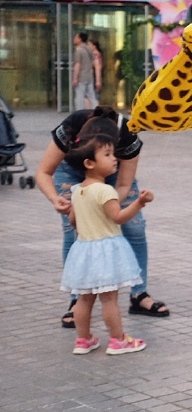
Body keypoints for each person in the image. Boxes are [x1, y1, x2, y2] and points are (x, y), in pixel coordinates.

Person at [34, 107, 169, 327]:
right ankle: (76, 300)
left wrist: (107, 202)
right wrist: (55, 199)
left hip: (113, 173)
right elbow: (43, 172)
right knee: (74, 231)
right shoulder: (72, 125)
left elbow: (124, 184)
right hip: (70, 170)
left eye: (109, 149)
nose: (108, 152)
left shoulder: (127, 133)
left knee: (134, 228)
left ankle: (139, 294)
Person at [60, 135, 153, 356]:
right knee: (109, 298)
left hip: (83, 250)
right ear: (89, 163)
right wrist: (139, 203)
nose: (115, 159)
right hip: (105, 251)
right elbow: (118, 217)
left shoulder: (77, 191)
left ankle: (83, 340)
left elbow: (74, 222)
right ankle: (119, 340)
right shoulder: (105, 191)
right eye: (108, 155)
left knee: (84, 298)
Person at [72, 32, 97, 111]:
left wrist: (75, 78)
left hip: (81, 76)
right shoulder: (89, 49)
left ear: (80, 39)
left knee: (79, 96)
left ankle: (79, 112)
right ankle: (96, 111)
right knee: (92, 96)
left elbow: (77, 64)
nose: (74, 39)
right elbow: (93, 62)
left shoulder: (79, 50)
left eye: (76, 37)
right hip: (89, 76)